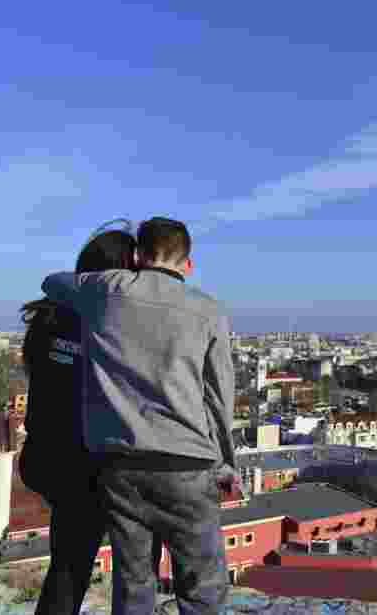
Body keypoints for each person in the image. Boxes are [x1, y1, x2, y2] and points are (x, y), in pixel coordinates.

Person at [41, 217, 237, 615]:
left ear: (136, 256)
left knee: (134, 585)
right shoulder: (207, 310)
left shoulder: (106, 290)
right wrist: (226, 462)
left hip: (120, 463)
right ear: (188, 263)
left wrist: (109, 278)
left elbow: (51, 282)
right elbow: (219, 397)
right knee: (202, 586)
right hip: (187, 463)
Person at [19, 226, 137, 615]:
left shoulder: (46, 317)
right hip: (88, 459)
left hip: (44, 455)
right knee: (138, 563)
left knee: (69, 564)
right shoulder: (107, 323)